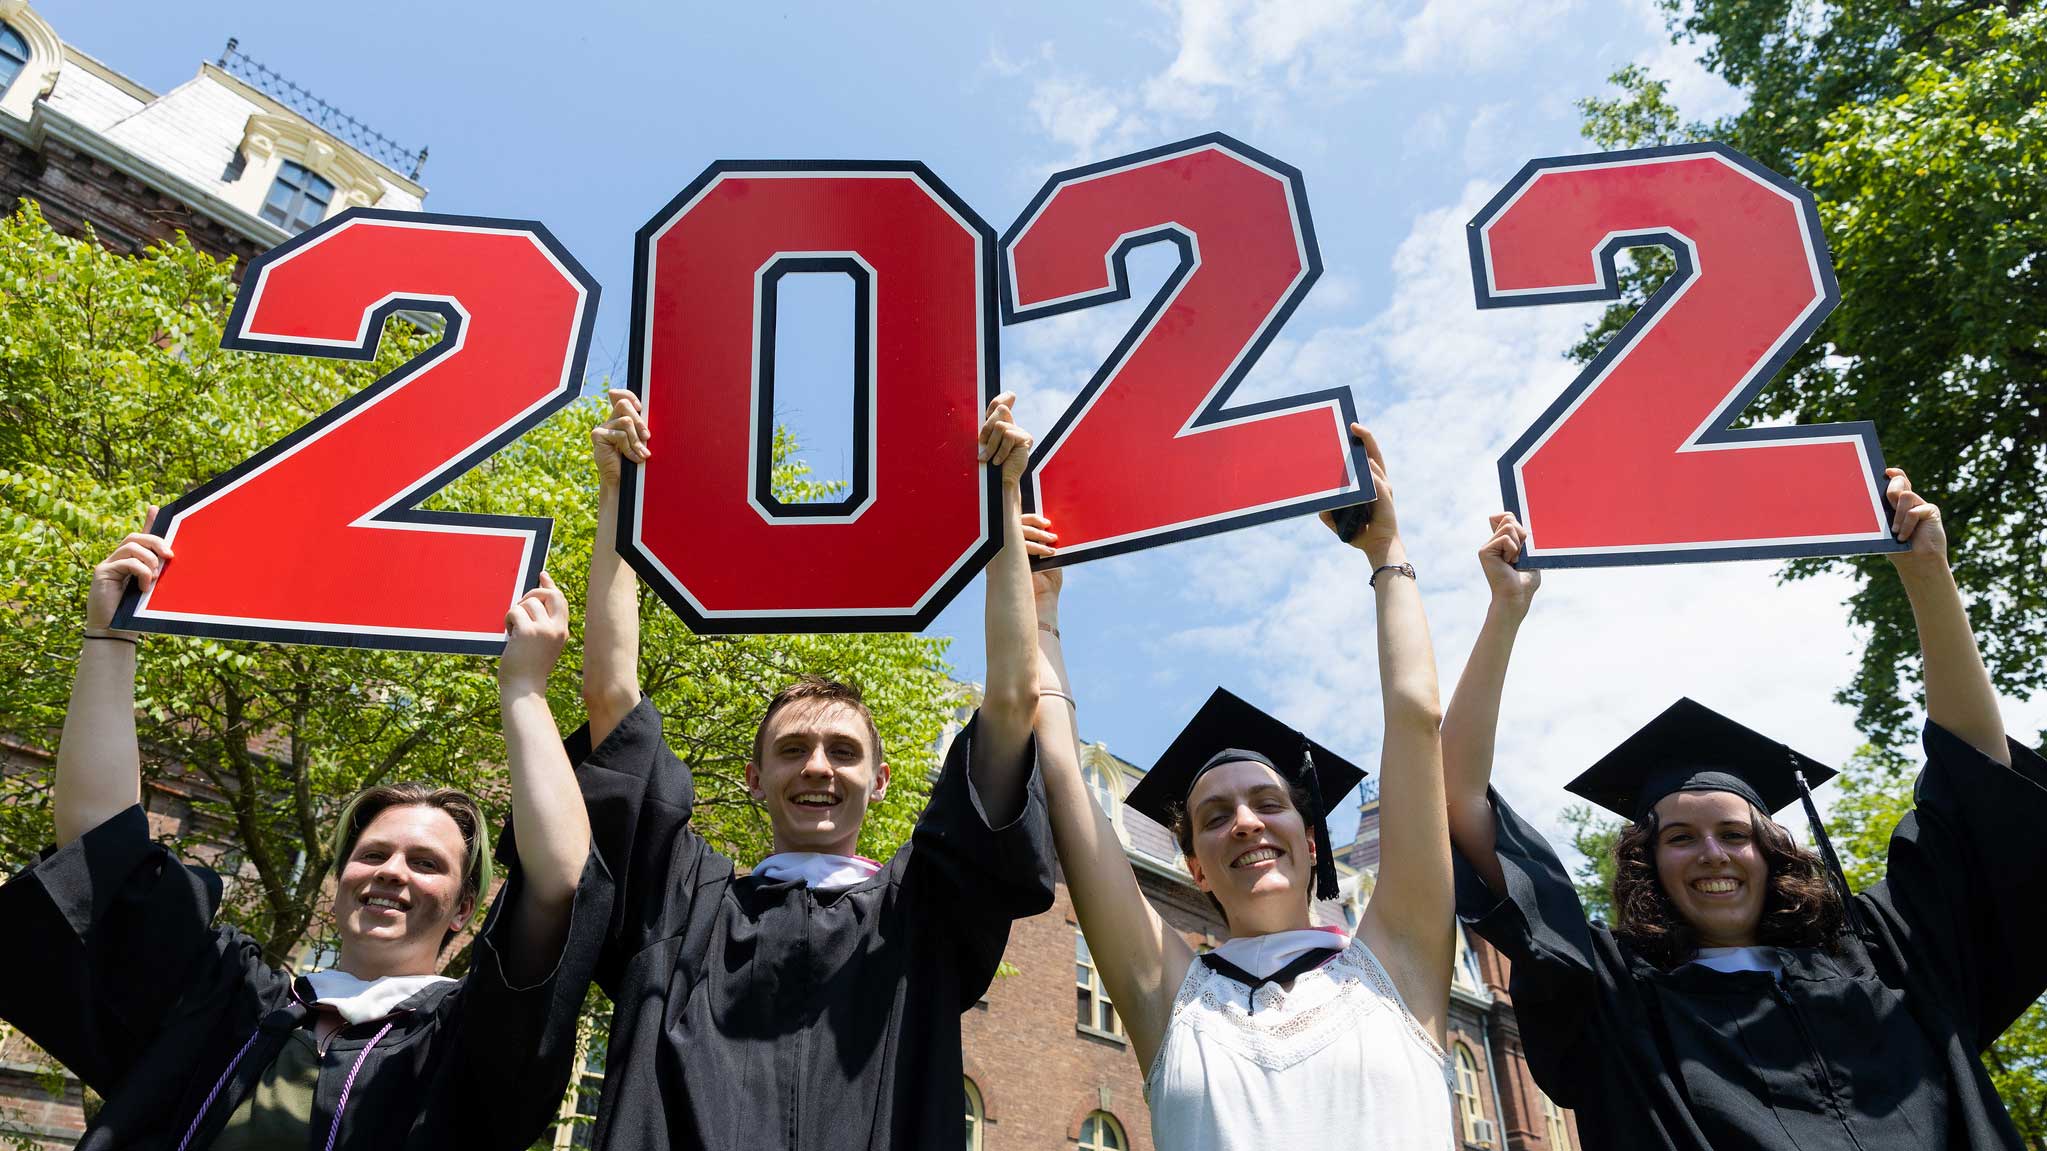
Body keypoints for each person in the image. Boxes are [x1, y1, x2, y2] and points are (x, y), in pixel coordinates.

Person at [1442, 472, 2047, 1151]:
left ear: (1771, 849)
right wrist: (1504, 613)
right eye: (1679, 837)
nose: (1711, 851)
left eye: (1734, 832)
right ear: (1648, 862)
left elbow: (1976, 777)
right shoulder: (1617, 996)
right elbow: (1456, 800)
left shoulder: (1884, 951)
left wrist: (1927, 572)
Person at [0, 522, 606, 1151]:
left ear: (462, 911)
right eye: (373, 853)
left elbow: (560, 882)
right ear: (339, 881)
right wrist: (111, 633)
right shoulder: (229, 1002)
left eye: (427, 863)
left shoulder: (463, 1040)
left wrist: (525, 689)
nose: (393, 871)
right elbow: (101, 848)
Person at [570, 388, 1053, 1151]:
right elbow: (609, 697)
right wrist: (617, 496)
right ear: (756, 777)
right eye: (791, 749)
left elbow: (1012, 699)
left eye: (843, 751)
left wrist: (1001, 503)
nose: (817, 767)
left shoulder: (919, 911)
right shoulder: (685, 904)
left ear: (883, 779)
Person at [1028, 424, 1456, 1149]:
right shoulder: (1170, 997)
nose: (1247, 824)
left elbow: (1415, 718)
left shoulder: (1395, 964)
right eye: (1215, 816)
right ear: (1193, 864)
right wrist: (1037, 609)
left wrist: (1388, 553)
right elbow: (1064, 777)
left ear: (1310, 839)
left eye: (1267, 804)